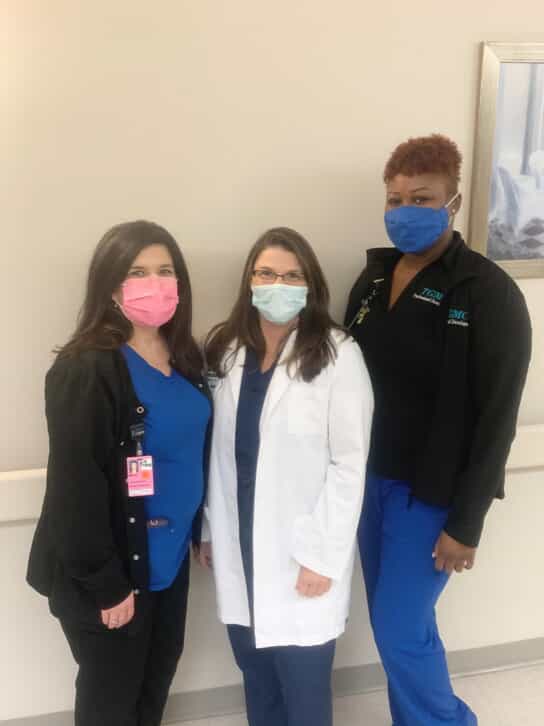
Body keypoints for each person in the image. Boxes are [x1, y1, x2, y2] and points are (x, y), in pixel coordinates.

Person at [345, 134, 532, 726]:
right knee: (397, 624)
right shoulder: (372, 281)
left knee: (399, 630)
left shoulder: (486, 292)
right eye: (394, 198)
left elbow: (497, 417)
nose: (404, 210)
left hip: (429, 494)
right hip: (367, 483)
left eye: (420, 198)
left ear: (452, 202)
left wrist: (466, 523)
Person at [27, 220, 212, 726]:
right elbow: (73, 489)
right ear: (111, 287)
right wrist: (107, 585)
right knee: (110, 706)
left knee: (152, 693)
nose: (155, 282)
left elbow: (190, 455)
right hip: (112, 574)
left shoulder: (187, 360)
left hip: (168, 564)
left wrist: (200, 532)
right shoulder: (86, 368)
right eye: (138, 272)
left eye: (165, 271)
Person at [199, 227, 373, 726]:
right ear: (249, 281)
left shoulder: (340, 354)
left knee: (304, 693)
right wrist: (211, 530)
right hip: (241, 550)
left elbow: (350, 464)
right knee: (257, 680)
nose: (279, 284)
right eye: (267, 273)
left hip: (304, 558)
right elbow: (217, 453)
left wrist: (323, 556)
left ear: (310, 285)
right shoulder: (227, 350)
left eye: (292, 275)